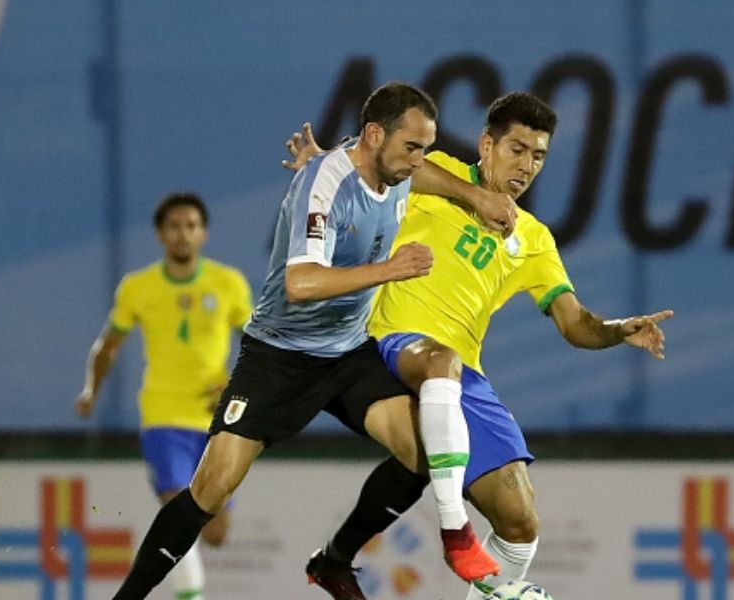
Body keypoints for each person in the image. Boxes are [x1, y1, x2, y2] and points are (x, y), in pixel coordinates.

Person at [111, 81, 519, 600]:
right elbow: (299, 284)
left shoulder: (391, 164)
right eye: (412, 147)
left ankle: (333, 560)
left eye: (425, 148)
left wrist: (475, 195)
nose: (419, 161)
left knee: (422, 453)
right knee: (210, 492)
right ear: (375, 135)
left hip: (348, 352)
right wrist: (389, 269)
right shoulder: (323, 184)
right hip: (280, 357)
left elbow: (420, 179)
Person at [285, 92, 672, 600]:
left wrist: (617, 329)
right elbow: (385, 165)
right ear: (486, 146)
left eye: (538, 156)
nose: (526, 165)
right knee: (433, 390)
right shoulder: (439, 172)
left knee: (519, 519)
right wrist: (469, 195)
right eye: (516, 149)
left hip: (462, 373)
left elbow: (574, 323)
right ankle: (454, 531)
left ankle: (378, 565)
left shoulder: (533, 239)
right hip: (391, 342)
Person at [75, 192, 252, 600]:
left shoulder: (228, 283)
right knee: (178, 509)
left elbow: (258, 345)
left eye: (191, 226)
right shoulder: (138, 287)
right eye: (174, 226)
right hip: (163, 413)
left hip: (216, 418)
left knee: (215, 533)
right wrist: (90, 392)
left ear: (203, 233)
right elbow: (108, 347)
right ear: (159, 235)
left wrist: (236, 386)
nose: (183, 234)